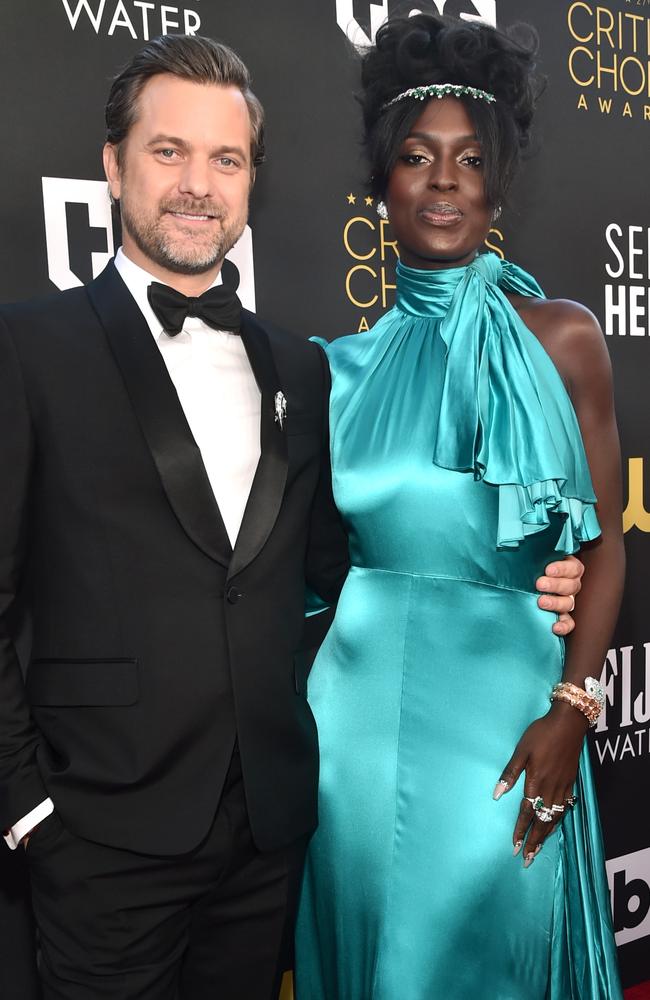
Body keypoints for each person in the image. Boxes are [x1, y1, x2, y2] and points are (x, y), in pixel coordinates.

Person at [0, 31, 583, 1000]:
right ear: (112, 165)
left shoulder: (298, 367)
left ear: (251, 179)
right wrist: (27, 811)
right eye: (168, 150)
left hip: (273, 834)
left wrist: (515, 573)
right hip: (98, 841)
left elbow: (341, 562)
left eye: (224, 158)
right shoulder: (27, 347)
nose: (197, 183)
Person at [295, 14, 624, 1000]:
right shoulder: (332, 370)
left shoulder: (561, 340)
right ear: (380, 185)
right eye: (414, 156)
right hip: (347, 728)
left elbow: (603, 549)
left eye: (467, 159)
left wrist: (569, 709)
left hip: (504, 718)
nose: (441, 180)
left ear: (495, 183)